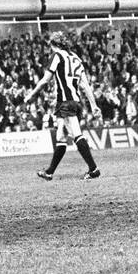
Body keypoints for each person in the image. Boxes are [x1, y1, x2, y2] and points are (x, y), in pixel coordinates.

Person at [29, 30, 101, 180]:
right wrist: (94, 106)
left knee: (76, 134)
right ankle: (49, 172)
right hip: (75, 102)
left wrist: (31, 94)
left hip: (66, 103)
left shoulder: (57, 56)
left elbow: (45, 80)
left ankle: (94, 169)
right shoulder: (76, 59)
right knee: (61, 136)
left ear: (53, 45)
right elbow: (86, 86)